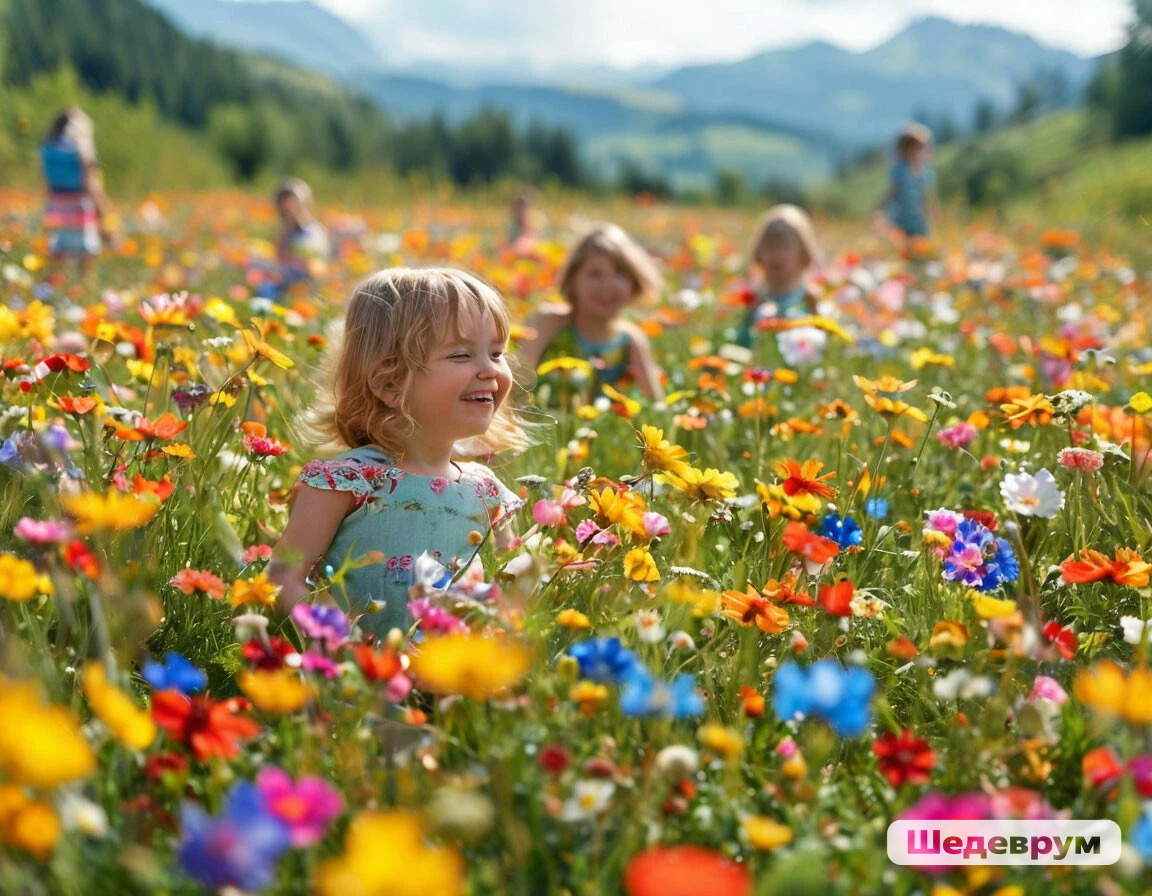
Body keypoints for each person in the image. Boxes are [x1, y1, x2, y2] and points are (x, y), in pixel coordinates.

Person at [269, 268, 530, 637]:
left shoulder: (485, 491)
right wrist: (339, 646)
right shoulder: (348, 481)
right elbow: (283, 578)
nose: (490, 370)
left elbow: (509, 584)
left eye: (497, 353)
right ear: (390, 383)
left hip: (450, 668)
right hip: (357, 668)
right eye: (461, 355)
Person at [519, 223, 664, 400]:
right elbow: (517, 385)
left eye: (620, 274)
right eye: (595, 274)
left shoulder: (631, 341)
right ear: (573, 279)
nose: (607, 285)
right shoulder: (548, 323)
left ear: (634, 282)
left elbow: (657, 404)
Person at [736, 204, 822, 348]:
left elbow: (822, 342)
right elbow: (741, 344)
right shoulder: (755, 301)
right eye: (771, 247)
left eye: (786, 247)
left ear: (804, 255)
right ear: (759, 255)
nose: (777, 255)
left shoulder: (809, 300)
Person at [41, 108, 112, 260]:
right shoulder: (82, 152)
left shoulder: (48, 149)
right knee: (88, 252)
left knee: (59, 251)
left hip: (57, 206)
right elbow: (91, 185)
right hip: (81, 207)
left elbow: (46, 182)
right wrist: (104, 211)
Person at [874, 123, 937, 242]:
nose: (919, 152)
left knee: (920, 244)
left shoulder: (925, 174)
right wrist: (879, 208)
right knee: (901, 244)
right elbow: (892, 191)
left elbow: (925, 195)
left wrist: (932, 209)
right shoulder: (900, 171)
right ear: (905, 149)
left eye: (922, 148)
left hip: (918, 221)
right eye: (915, 148)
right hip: (901, 219)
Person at [272, 177, 330, 295]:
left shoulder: (315, 231)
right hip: (288, 283)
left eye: (293, 203)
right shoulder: (285, 231)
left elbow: (321, 262)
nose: (290, 208)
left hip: (310, 283)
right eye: (285, 205)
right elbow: (279, 259)